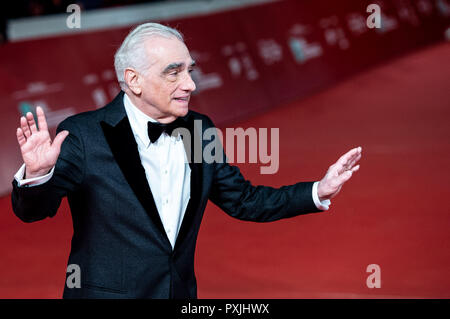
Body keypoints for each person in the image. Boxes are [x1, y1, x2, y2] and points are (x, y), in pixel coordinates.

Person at [11, 23, 362, 298]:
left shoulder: (199, 130)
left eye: (190, 70)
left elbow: (244, 200)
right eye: (173, 72)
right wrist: (37, 174)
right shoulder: (84, 135)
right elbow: (34, 211)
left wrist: (318, 189)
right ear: (134, 81)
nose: (190, 84)